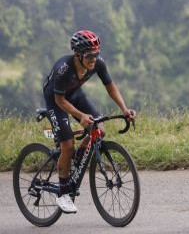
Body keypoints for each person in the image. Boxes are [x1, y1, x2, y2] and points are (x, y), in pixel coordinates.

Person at [42, 30, 137, 214]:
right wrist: (81, 116)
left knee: (99, 130)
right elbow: (60, 101)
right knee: (67, 145)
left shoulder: (97, 64)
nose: (94, 58)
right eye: (89, 55)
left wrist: (124, 109)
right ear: (77, 55)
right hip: (56, 100)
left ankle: (78, 156)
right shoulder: (63, 69)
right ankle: (63, 193)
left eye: (96, 54)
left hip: (75, 94)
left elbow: (110, 87)